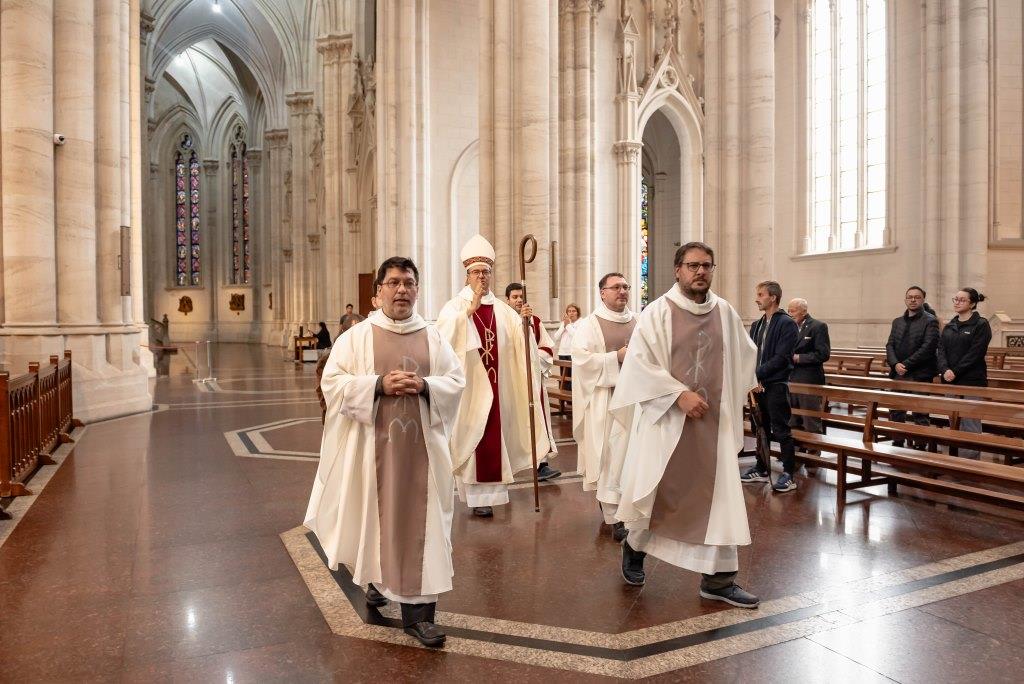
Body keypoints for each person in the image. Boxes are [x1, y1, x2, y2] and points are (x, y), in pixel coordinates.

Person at [304, 256, 466, 648]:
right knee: (374, 520)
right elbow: (333, 383)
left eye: (409, 283)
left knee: (426, 525)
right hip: (370, 453)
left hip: (423, 453)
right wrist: (377, 385)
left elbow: (456, 380)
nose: (402, 290)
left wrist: (427, 387)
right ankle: (378, 581)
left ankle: (420, 616)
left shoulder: (433, 336)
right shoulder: (355, 338)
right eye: (393, 283)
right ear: (377, 293)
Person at [610, 242, 760, 608]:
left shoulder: (724, 311)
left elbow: (745, 354)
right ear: (677, 270)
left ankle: (720, 580)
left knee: (720, 497)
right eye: (692, 266)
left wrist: (746, 383)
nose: (700, 272)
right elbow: (639, 366)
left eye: (707, 266)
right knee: (657, 493)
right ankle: (634, 546)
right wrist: (678, 395)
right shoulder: (657, 312)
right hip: (666, 422)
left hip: (713, 424)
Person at [436, 235, 551, 518]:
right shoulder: (454, 308)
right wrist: (468, 314)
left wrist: (524, 322)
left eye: (486, 272)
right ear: (467, 275)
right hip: (470, 388)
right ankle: (476, 497)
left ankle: (490, 496)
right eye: (476, 272)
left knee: (494, 436)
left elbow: (521, 347)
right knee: (472, 434)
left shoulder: (502, 309)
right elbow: (441, 342)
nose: (482, 277)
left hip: (498, 387)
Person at [571, 273, 636, 541]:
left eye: (625, 287)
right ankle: (614, 516)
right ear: (602, 293)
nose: (622, 291)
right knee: (609, 458)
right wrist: (616, 358)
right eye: (616, 287)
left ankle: (630, 510)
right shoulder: (589, 325)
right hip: (603, 401)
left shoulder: (638, 321)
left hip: (633, 400)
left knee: (631, 457)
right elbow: (581, 360)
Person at [741, 281, 800, 492]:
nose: (757, 298)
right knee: (760, 429)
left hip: (776, 385)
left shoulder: (787, 323)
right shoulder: (757, 325)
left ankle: (788, 473)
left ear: (773, 297)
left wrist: (756, 375)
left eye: (760, 294)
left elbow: (782, 358)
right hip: (758, 387)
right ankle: (762, 466)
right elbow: (750, 354)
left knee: (781, 429)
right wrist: (750, 378)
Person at [505, 283, 561, 482]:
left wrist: (532, 359)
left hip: (533, 382)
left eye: (521, 296)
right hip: (510, 382)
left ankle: (542, 464)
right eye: (514, 297)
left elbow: (547, 348)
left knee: (538, 419)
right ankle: (507, 465)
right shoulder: (502, 321)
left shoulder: (535, 321)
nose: (519, 300)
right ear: (507, 300)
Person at [938, 288, 992, 460]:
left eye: (962, 300)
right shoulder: (950, 325)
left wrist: (955, 371)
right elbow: (941, 351)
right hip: (950, 381)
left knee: (970, 422)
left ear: (973, 303)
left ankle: (970, 464)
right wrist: (945, 369)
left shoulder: (981, 324)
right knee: (953, 421)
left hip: (971, 381)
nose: (957, 302)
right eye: (955, 299)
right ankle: (956, 460)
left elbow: (976, 353)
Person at [885, 286, 940, 445]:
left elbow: (929, 347)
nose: (913, 300)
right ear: (905, 300)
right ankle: (897, 443)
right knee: (896, 411)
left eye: (917, 297)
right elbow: (890, 344)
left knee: (920, 413)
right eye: (910, 297)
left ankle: (921, 447)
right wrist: (895, 364)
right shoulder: (897, 321)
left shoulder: (930, 321)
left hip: (920, 374)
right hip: (898, 374)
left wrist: (906, 365)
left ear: (923, 300)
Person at [786, 299, 831, 439]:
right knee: (792, 420)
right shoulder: (789, 327)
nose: (790, 314)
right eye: (789, 310)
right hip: (791, 379)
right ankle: (797, 456)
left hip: (808, 381)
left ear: (804, 311)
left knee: (810, 422)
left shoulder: (818, 326)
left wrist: (799, 358)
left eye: (793, 310)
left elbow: (823, 354)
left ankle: (814, 457)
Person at [552, 304, 583, 389]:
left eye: (573, 311)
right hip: (562, 353)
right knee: (564, 377)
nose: (571, 313)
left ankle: (571, 399)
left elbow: (576, 336)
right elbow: (556, 337)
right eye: (569, 311)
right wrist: (564, 326)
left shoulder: (581, 323)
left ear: (577, 313)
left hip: (573, 353)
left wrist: (568, 326)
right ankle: (565, 397)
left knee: (572, 377)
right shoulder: (564, 323)